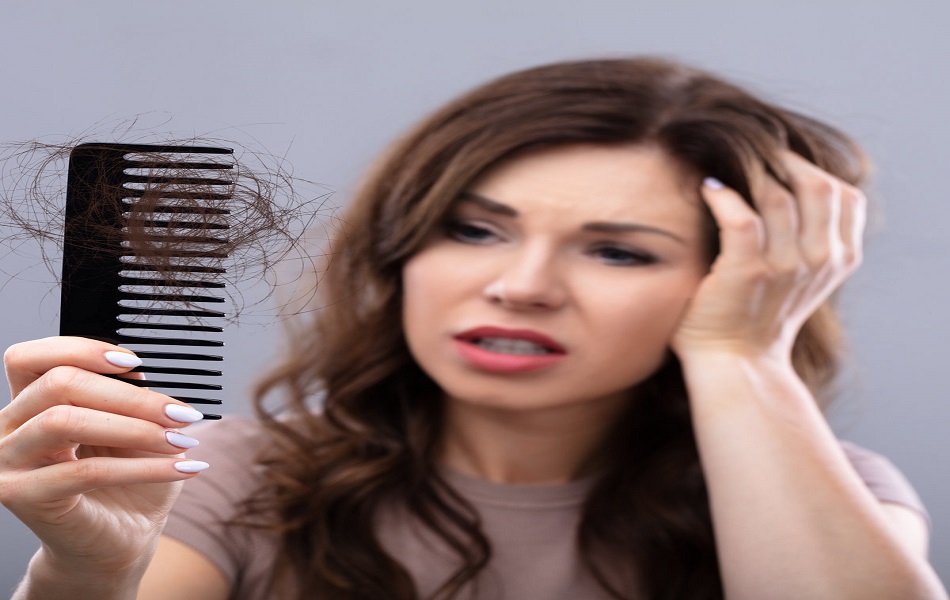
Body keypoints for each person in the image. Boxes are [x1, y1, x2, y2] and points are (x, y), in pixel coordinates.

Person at [2, 57, 946, 600]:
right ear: (403, 246)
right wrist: (90, 570)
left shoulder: (836, 500)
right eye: (475, 229)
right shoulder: (229, 480)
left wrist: (744, 353)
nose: (521, 286)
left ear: (736, 284)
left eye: (618, 251)